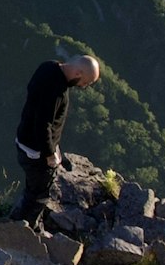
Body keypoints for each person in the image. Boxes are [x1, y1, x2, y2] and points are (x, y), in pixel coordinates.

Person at [14, 50, 102, 221]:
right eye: (86, 82)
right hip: (36, 151)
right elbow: (42, 125)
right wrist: (49, 154)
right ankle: (23, 230)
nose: (84, 86)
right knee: (39, 195)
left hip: (24, 138)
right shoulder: (57, 92)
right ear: (78, 73)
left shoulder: (48, 66)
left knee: (32, 188)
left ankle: (20, 222)